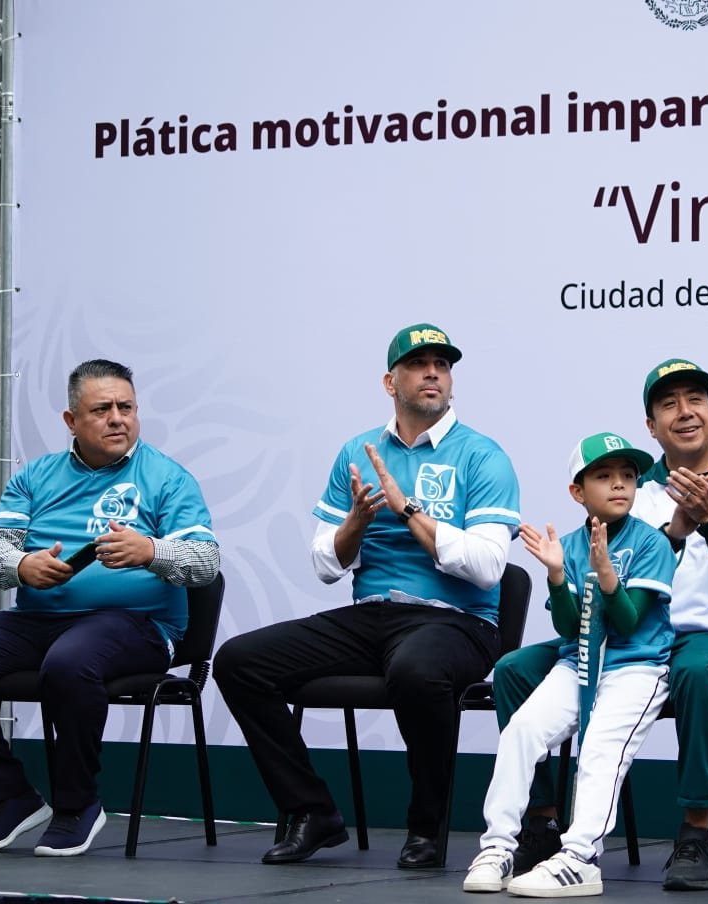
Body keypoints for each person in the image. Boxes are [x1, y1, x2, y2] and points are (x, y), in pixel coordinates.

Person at [214, 323, 521, 869]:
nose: (433, 373)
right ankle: (312, 811)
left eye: (442, 365)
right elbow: (325, 565)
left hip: (460, 621)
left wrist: (408, 511)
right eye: (418, 363)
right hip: (372, 615)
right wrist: (355, 523)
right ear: (390, 381)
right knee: (238, 662)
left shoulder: (482, 456)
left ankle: (426, 829)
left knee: (416, 670)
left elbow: (487, 567)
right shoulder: (357, 452)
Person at [493, 359, 708, 891]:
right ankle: (540, 826)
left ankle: (694, 833)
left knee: (696, 672)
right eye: (669, 403)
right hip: (626, 636)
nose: (685, 412)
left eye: (695, 399)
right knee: (517, 669)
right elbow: (603, 572)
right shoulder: (630, 484)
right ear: (651, 426)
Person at [0, 359, 219, 857]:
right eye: (102, 409)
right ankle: (10, 796)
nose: (118, 418)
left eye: (127, 407)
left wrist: (152, 551)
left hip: (137, 627)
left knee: (70, 662)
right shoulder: (37, 477)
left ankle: (77, 804)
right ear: (71, 421)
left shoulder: (168, 479)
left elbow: (206, 563)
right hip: (37, 620)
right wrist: (21, 567)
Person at [464, 433, 676, 897]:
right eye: (604, 476)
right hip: (578, 661)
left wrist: (606, 576)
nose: (619, 484)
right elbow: (568, 627)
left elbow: (627, 622)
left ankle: (580, 857)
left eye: (628, 476)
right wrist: (558, 576)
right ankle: (499, 846)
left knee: (599, 749)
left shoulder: (651, 543)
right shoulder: (574, 543)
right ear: (578, 492)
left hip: (635, 668)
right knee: (522, 730)